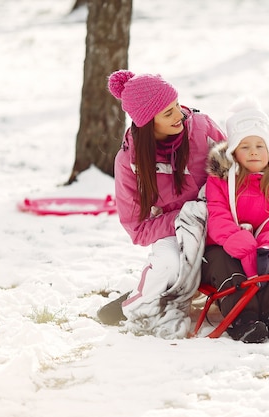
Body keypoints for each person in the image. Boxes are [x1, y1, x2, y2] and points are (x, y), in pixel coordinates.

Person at [98, 70, 226, 338]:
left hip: (218, 220)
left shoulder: (203, 129)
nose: (180, 115)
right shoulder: (129, 162)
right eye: (168, 113)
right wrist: (188, 217)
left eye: (177, 105)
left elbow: (235, 174)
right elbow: (137, 229)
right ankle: (140, 301)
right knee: (170, 263)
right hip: (174, 231)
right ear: (147, 123)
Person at [201, 96, 269, 343]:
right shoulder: (220, 179)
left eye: (260, 145)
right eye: (245, 146)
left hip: (258, 245)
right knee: (226, 264)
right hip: (222, 246)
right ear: (234, 151)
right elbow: (218, 215)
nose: (254, 151)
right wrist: (240, 243)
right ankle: (242, 319)